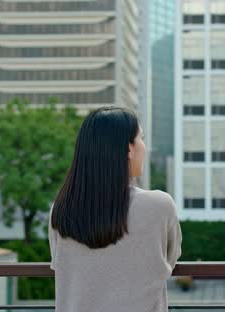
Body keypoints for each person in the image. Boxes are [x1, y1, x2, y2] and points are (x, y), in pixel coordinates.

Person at [48, 106, 182, 311]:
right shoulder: (159, 205)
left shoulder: (61, 209)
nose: (144, 147)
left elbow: (63, 267)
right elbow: (169, 259)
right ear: (129, 149)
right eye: (141, 138)